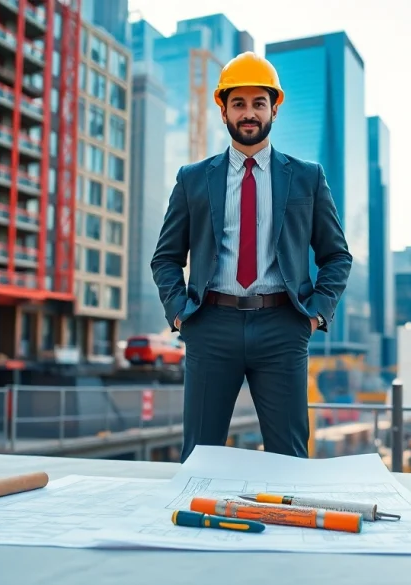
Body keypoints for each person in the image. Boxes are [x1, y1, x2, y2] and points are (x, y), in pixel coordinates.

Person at [150, 51, 352, 462]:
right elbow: (166, 257)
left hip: (283, 327)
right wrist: (179, 314)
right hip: (211, 325)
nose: (249, 113)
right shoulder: (192, 179)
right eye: (238, 103)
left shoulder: (307, 177)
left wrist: (313, 315)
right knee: (199, 458)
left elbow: (337, 256)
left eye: (258, 103)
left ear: (274, 108)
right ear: (222, 110)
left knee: (290, 459)